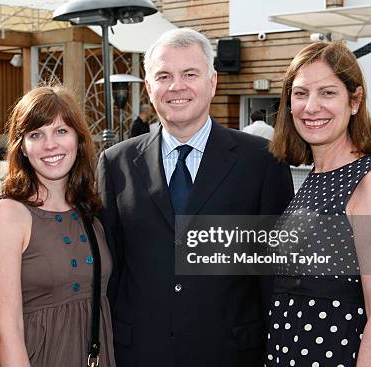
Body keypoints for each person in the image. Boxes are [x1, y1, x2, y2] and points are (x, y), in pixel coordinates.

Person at [97, 28, 294, 367]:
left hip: (231, 352)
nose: (177, 86)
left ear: (212, 82)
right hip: (139, 352)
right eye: (164, 75)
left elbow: (275, 273)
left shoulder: (262, 160)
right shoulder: (116, 163)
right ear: (149, 88)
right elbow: (110, 269)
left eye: (190, 74)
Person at [266, 41, 371, 367]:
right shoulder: (314, 179)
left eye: (327, 93)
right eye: (300, 94)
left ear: (354, 100)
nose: (311, 106)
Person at [0, 86, 115, 367]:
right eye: (36, 135)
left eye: (61, 131)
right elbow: (8, 329)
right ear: (23, 148)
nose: (50, 144)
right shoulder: (8, 215)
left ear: (78, 139)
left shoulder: (91, 211)